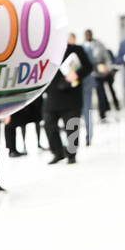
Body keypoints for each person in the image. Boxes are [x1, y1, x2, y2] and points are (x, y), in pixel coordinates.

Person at [43, 35, 91, 165]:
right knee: (49, 124)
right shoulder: (47, 52)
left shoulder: (76, 50)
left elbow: (88, 67)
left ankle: (71, 154)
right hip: (52, 94)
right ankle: (57, 153)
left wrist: (76, 74)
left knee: (72, 126)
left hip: (71, 95)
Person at [84, 29, 118, 120]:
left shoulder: (98, 45)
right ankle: (102, 113)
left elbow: (106, 57)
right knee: (100, 93)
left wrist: (108, 68)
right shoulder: (84, 47)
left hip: (103, 71)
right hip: (94, 73)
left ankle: (115, 107)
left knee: (110, 90)